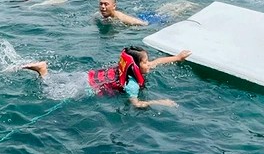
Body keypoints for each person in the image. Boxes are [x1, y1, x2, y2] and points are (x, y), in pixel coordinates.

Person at [21, 46, 191, 109]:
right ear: (135, 67)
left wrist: (177, 57)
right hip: (86, 87)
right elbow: (137, 104)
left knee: (57, 79)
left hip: (86, 76)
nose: (149, 64)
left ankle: (44, 69)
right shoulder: (132, 84)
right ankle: (42, 72)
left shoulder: (125, 69)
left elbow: (157, 62)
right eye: (145, 62)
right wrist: (161, 102)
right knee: (52, 95)